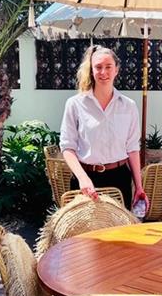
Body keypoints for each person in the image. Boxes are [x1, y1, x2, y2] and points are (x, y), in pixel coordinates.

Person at [60, 45, 148, 211]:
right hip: (86, 179)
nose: (103, 72)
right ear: (91, 70)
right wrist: (83, 178)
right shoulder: (75, 104)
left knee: (118, 233)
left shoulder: (128, 106)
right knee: (85, 234)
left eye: (108, 67)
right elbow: (67, 147)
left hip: (119, 179)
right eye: (98, 67)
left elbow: (132, 148)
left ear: (116, 70)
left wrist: (139, 187)